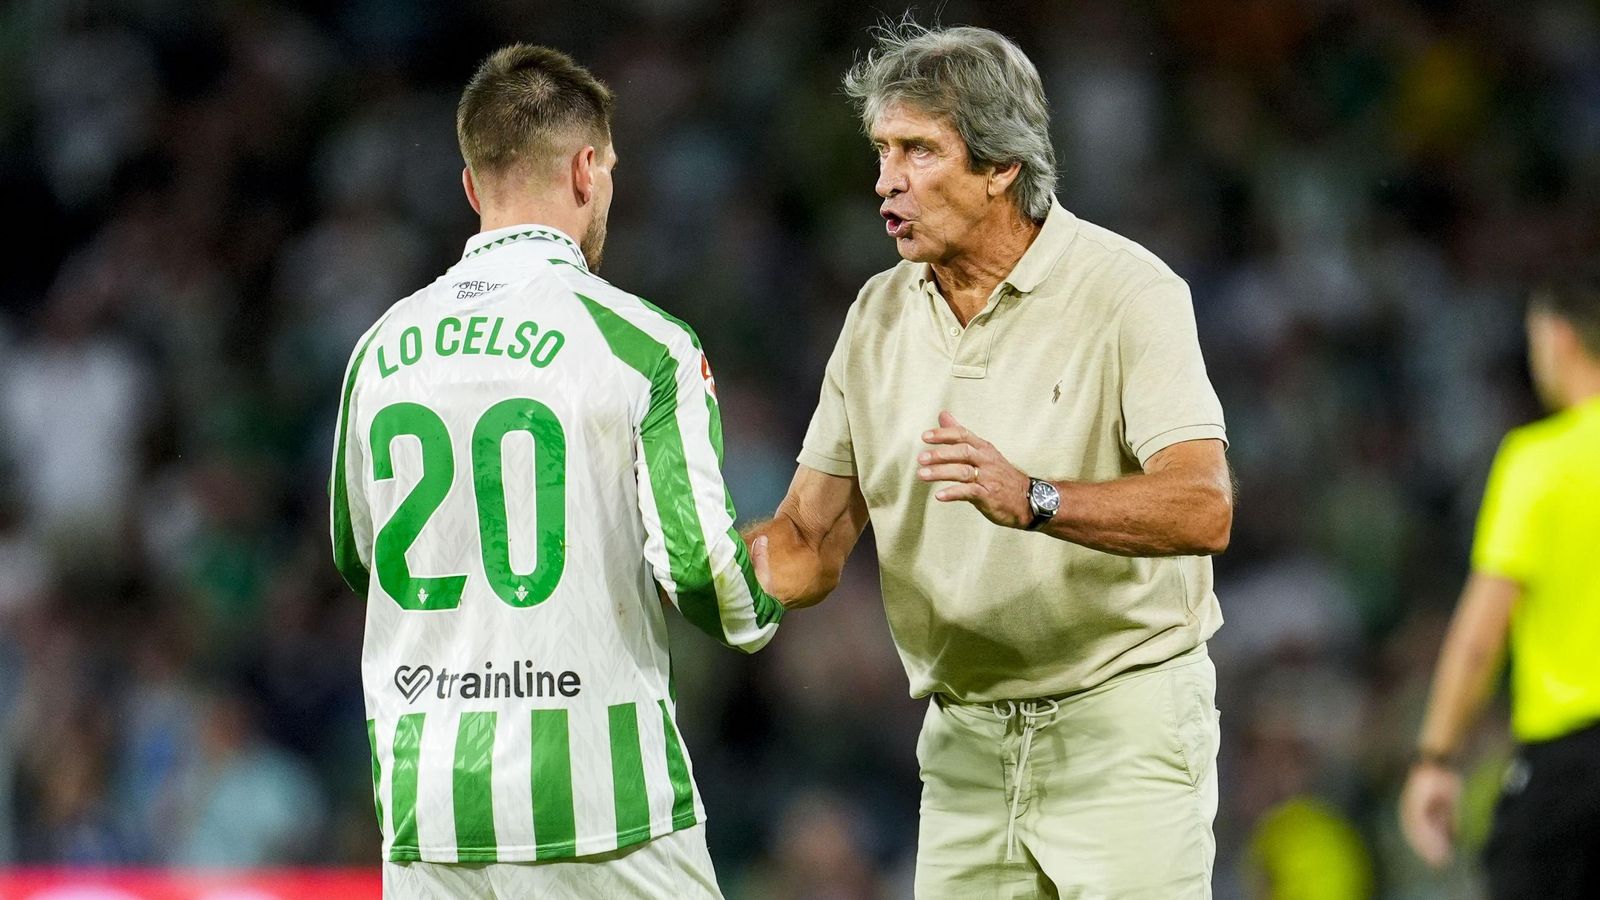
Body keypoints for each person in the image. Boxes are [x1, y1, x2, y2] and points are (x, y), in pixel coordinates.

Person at [748, 22, 1233, 898]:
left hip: (1120, 730)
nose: (885, 180)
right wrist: (700, 554)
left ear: (1000, 165)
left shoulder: (1128, 292)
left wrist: (1038, 497)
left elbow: (1204, 508)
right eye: (882, 150)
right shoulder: (877, 315)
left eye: (918, 151)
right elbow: (809, 545)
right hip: (965, 748)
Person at [329, 44, 782, 899]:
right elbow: (707, 578)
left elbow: (359, 559)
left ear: (472, 187)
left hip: (429, 808)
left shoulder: (378, 348)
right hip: (598, 805)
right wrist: (779, 585)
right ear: (586, 170)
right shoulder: (646, 346)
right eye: (609, 169)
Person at [1400, 281, 1600, 898]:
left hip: (1574, 762)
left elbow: (1481, 635)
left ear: (1559, 336)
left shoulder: (1537, 463)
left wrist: (1435, 759)